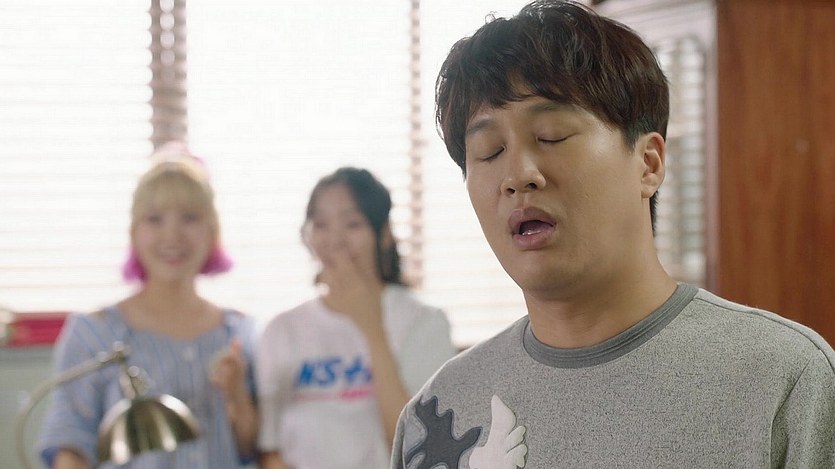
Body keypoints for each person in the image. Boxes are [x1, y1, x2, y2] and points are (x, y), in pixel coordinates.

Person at [391, 1, 835, 468]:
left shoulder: (784, 381)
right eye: (489, 151)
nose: (518, 175)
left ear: (648, 164)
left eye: (552, 136)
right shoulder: (441, 412)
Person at [37, 143, 259, 468]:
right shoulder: (94, 332)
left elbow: (251, 448)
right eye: (154, 219)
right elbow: (69, 443)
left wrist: (237, 394)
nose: (172, 235)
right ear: (134, 232)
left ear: (212, 230)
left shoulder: (239, 333)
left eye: (190, 218)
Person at [257, 167, 457, 469]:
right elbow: (270, 449)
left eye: (352, 224)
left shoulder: (424, 321)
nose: (335, 240)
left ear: (384, 234)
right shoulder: (282, 329)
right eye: (321, 224)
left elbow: (417, 446)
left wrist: (372, 328)